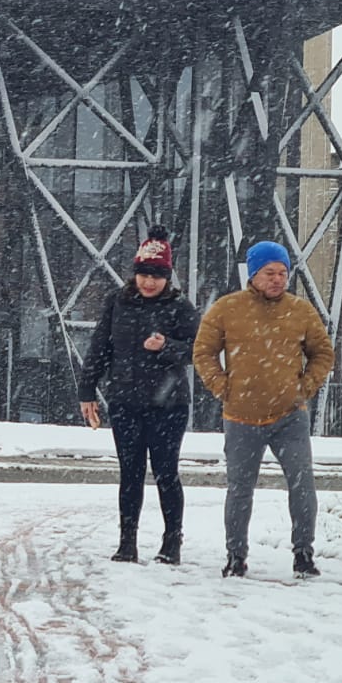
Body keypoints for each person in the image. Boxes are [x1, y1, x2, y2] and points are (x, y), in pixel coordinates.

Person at [193, 240, 335, 579]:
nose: (277, 279)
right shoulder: (227, 308)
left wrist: (303, 387)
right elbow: (203, 352)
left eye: (283, 273)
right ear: (253, 274)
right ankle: (235, 556)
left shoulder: (301, 311)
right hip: (241, 417)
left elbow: (323, 354)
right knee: (239, 489)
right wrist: (222, 386)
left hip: (289, 416)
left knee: (302, 486)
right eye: (270, 272)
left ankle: (303, 553)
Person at [78, 226, 200, 565]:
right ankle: (126, 542)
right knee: (129, 473)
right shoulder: (117, 302)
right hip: (125, 402)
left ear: (167, 277)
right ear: (135, 273)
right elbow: (100, 347)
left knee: (165, 472)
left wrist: (169, 348)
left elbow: (201, 349)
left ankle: (171, 541)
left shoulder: (179, 307)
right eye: (144, 274)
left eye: (157, 276)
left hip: (168, 405)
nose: (149, 282)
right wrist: (87, 390)